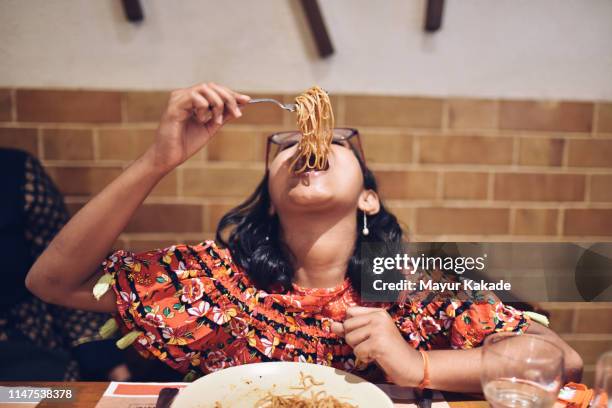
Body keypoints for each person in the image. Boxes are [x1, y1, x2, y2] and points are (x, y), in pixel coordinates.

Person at [25, 83, 583, 392]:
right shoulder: (214, 283)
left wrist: (418, 365)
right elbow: (52, 281)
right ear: (270, 195)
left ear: (369, 196)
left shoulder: (411, 286)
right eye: (285, 147)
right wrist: (158, 158)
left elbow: (560, 359)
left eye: (336, 144)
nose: (306, 149)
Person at [0, 148, 128, 381]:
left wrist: (109, 362)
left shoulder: (15, 173)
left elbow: (63, 276)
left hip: (27, 349)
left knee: (61, 396)